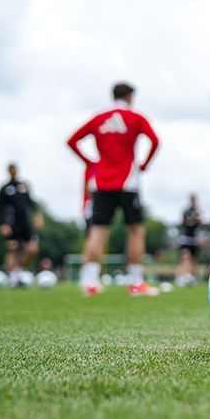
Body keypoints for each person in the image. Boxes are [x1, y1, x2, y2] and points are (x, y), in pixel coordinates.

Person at [67, 82, 160, 297]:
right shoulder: (136, 117)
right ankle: (136, 282)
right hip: (128, 182)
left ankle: (90, 283)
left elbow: (72, 141)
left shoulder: (99, 117)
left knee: (98, 231)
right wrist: (144, 165)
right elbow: (155, 141)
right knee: (136, 230)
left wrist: (91, 163)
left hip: (101, 182)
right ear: (128, 97)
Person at [0, 163, 43, 287]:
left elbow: (31, 202)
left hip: (24, 223)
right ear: (8, 171)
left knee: (32, 249)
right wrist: (2, 224)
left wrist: (37, 215)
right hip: (10, 223)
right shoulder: (4, 189)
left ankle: (18, 271)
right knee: (12, 249)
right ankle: (12, 279)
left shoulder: (23, 186)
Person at [175, 194, 203, 287]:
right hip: (186, 239)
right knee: (185, 258)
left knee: (193, 259)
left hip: (194, 239)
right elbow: (188, 223)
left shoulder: (197, 211)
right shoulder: (187, 211)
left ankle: (190, 276)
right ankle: (182, 276)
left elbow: (200, 223)